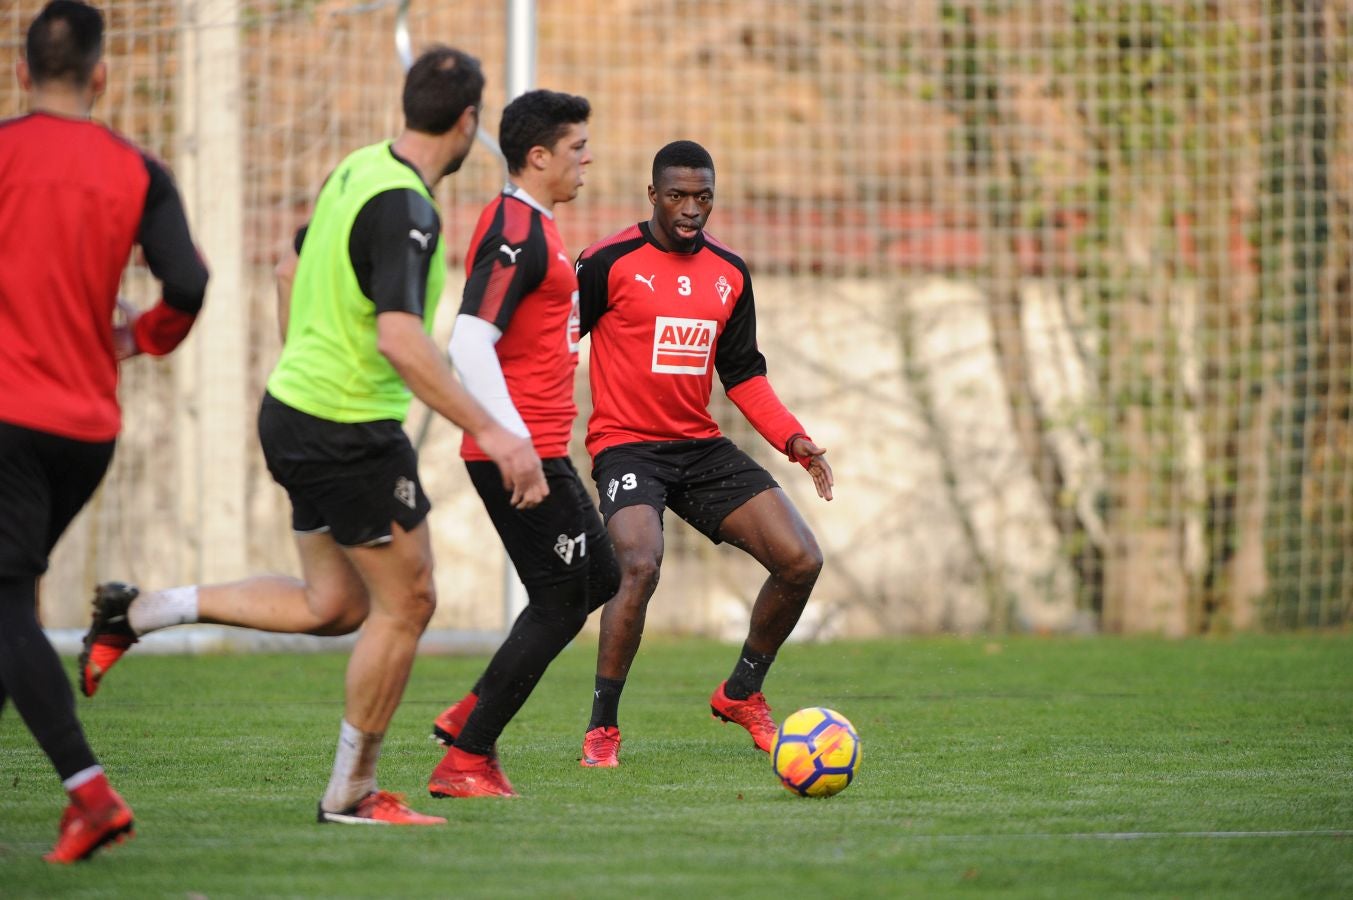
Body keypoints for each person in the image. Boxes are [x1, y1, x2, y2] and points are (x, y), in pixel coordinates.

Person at [78, 45, 546, 826]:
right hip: (346, 429)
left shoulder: (356, 168)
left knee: (332, 605)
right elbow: (400, 340)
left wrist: (306, 361)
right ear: (468, 123)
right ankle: (352, 794)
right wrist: (496, 433)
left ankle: (141, 613)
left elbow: (286, 269)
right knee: (409, 600)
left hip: (294, 410)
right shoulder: (408, 208)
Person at [0, 1, 209, 863]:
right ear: (100, 77)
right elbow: (188, 284)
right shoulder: (139, 170)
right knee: (6, 605)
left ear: (21, 72)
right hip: (87, 430)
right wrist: (139, 337)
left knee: (5, 604)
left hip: (7, 418)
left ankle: (90, 796)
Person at [569, 140, 834, 767]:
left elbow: (743, 374)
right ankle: (602, 727)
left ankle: (742, 693)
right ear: (653, 195)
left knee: (800, 559)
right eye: (678, 196)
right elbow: (557, 343)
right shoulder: (607, 262)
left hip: (698, 445)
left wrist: (794, 439)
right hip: (627, 446)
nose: (691, 208)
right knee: (640, 564)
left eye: (703, 197)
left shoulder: (730, 273)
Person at [425, 89, 618, 798]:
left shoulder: (535, 223)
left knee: (600, 578)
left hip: (539, 446)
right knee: (563, 598)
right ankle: (466, 759)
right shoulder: (516, 229)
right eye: (576, 147)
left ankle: (471, 712)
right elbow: (469, 341)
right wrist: (512, 444)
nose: (586, 159)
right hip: (520, 452)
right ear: (538, 156)